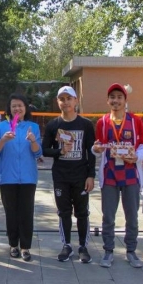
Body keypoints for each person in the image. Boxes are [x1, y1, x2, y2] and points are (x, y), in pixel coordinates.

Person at [92, 83, 143, 268]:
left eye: (119, 97)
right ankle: (108, 251)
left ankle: (131, 251)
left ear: (125, 100)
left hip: (130, 173)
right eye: (112, 97)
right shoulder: (102, 121)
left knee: (131, 216)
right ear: (108, 100)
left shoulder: (135, 121)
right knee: (108, 216)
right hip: (109, 173)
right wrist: (96, 149)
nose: (116, 100)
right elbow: (97, 146)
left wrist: (138, 156)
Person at [42, 86, 96, 263]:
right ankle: (66, 245)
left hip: (80, 176)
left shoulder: (85, 124)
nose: (65, 102)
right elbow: (45, 150)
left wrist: (91, 175)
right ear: (58, 102)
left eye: (68, 98)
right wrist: (59, 151)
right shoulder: (53, 125)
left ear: (75, 101)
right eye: (62, 99)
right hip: (61, 177)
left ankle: (82, 246)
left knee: (82, 213)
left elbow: (91, 151)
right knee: (64, 212)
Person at [0, 94, 42, 262]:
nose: (17, 109)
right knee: (11, 213)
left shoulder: (33, 127)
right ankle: (13, 244)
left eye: (20, 105)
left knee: (26, 213)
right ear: (9, 109)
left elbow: (38, 153)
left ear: (26, 108)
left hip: (28, 177)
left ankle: (25, 247)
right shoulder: (1, 127)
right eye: (14, 106)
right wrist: (3, 139)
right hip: (7, 177)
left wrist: (33, 141)